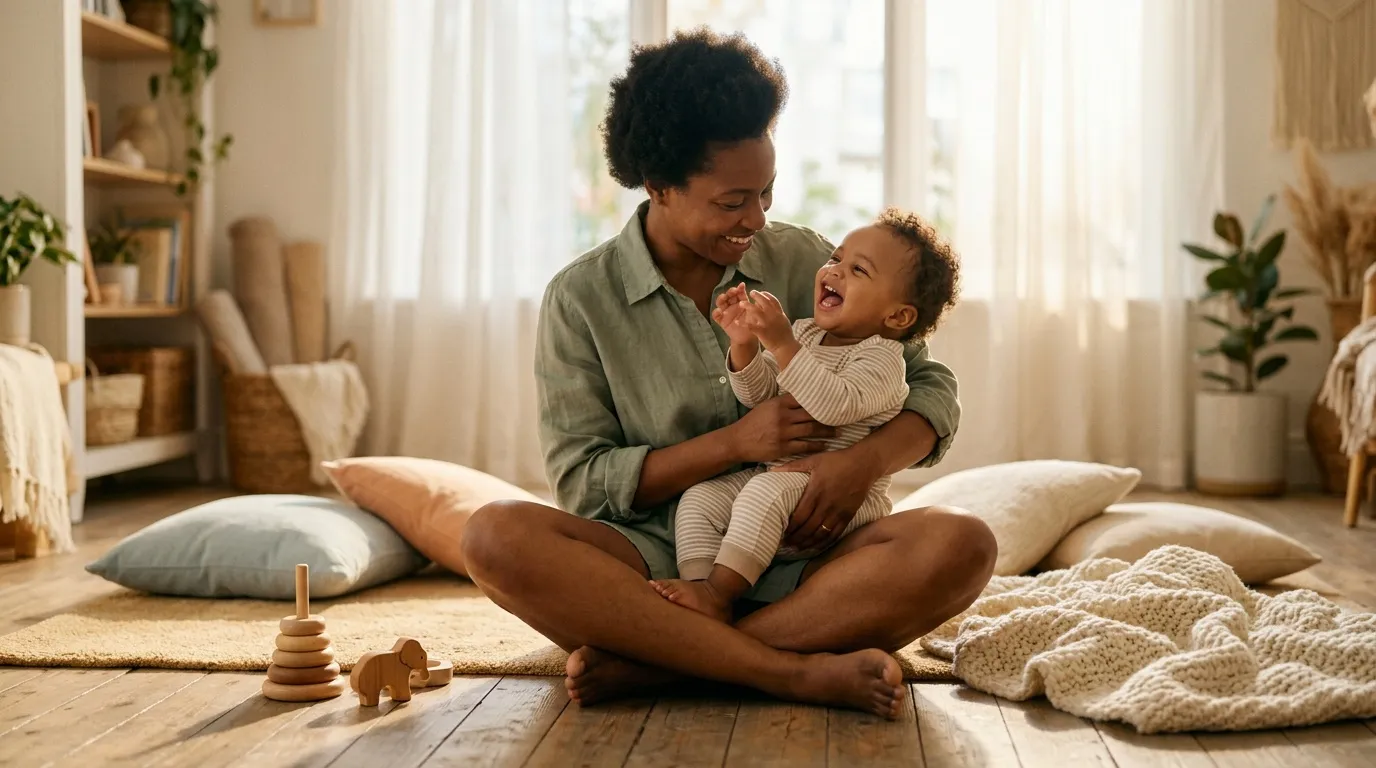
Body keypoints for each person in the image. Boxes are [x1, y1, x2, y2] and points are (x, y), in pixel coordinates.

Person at [461, 27, 996, 720]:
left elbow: (929, 386)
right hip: (658, 563)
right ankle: (785, 670)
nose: (757, 218)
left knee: (963, 543)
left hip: (811, 552)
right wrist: (736, 444)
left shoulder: (804, 260)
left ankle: (664, 662)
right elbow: (585, 482)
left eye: (766, 193)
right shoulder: (581, 299)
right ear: (659, 186)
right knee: (493, 536)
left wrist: (858, 467)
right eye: (732, 201)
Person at [653, 209, 961, 625]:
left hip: (840, 498)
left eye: (858, 270)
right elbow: (759, 396)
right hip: (778, 475)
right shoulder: (806, 334)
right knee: (700, 498)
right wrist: (744, 344)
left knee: (764, 494)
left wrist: (782, 344)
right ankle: (702, 591)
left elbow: (833, 406)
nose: (835, 271)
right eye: (836, 258)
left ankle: (718, 593)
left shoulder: (883, 361)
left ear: (897, 316)